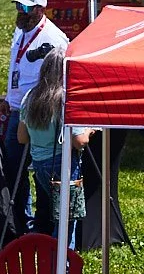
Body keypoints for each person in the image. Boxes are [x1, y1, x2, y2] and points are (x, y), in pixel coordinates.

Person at [4, 0, 67, 233]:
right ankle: (21, 222)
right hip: (17, 109)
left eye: (27, 8)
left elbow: (59, 78)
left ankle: (42, 224)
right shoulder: (21, 31)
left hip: (40, 112)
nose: (21, 12)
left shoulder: (53, 38)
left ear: (41, 9)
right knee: (14, 169)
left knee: (42, 168)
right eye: (19, 6)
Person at [20, 52, 91, 245]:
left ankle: (51, 259)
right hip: (63, 164)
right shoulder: (65, 99)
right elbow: (79, 141)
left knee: (56, 215)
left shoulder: (30, 97)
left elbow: (22, 137)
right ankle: (62, 266)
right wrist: (89, 129)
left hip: (39, 164)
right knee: (68, 220)